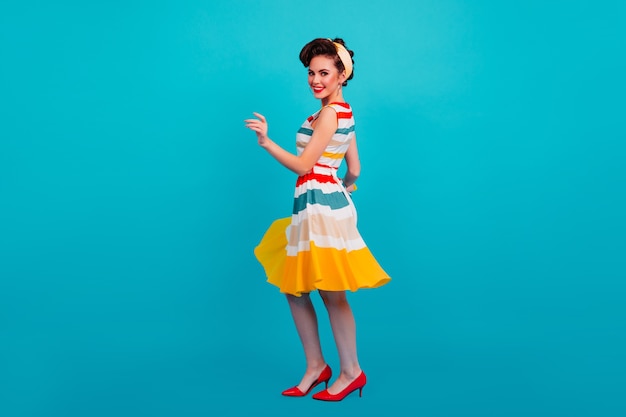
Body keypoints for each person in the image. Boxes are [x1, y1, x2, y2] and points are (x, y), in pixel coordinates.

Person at [244, 37, 391, 402]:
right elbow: (354, 168)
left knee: (330, 291)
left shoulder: (329, 114)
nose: (315, 80)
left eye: (324, 72)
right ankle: (316, 367)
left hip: (320, 206)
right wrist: (342, 185)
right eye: (311, 73)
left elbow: (302, 165)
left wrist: (267, 141)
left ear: (342, 75)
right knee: (296, 288)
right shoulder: (341, 112)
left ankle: (351, 372)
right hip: (320, 202)